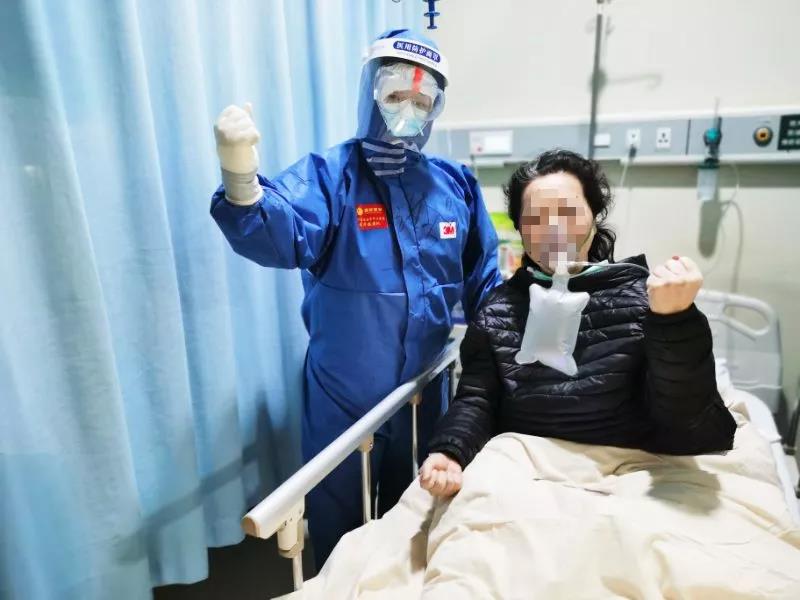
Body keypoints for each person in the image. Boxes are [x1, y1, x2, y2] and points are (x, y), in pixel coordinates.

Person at [210, 29, 501, 565]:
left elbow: (486, 282)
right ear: (370, 93)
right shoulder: (329, 177)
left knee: (414, 514)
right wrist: (241, 179)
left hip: (422, 392)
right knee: (338, 524)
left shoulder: (455, 186)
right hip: (343, 397)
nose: (408, 109)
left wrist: (515, 349)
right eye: (395, 94)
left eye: (422, 101)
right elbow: (278, 234)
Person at [419, 149, 736, 498]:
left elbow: (686, 419)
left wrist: (674, 321)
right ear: (520, 229)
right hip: (526, 467)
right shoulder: (497, 312)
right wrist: (450, 450)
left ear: (595, 217)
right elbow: (477, 401)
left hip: (627, 468)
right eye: (536, 218)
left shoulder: (645, 301)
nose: (553, 230)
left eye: (568, 212)